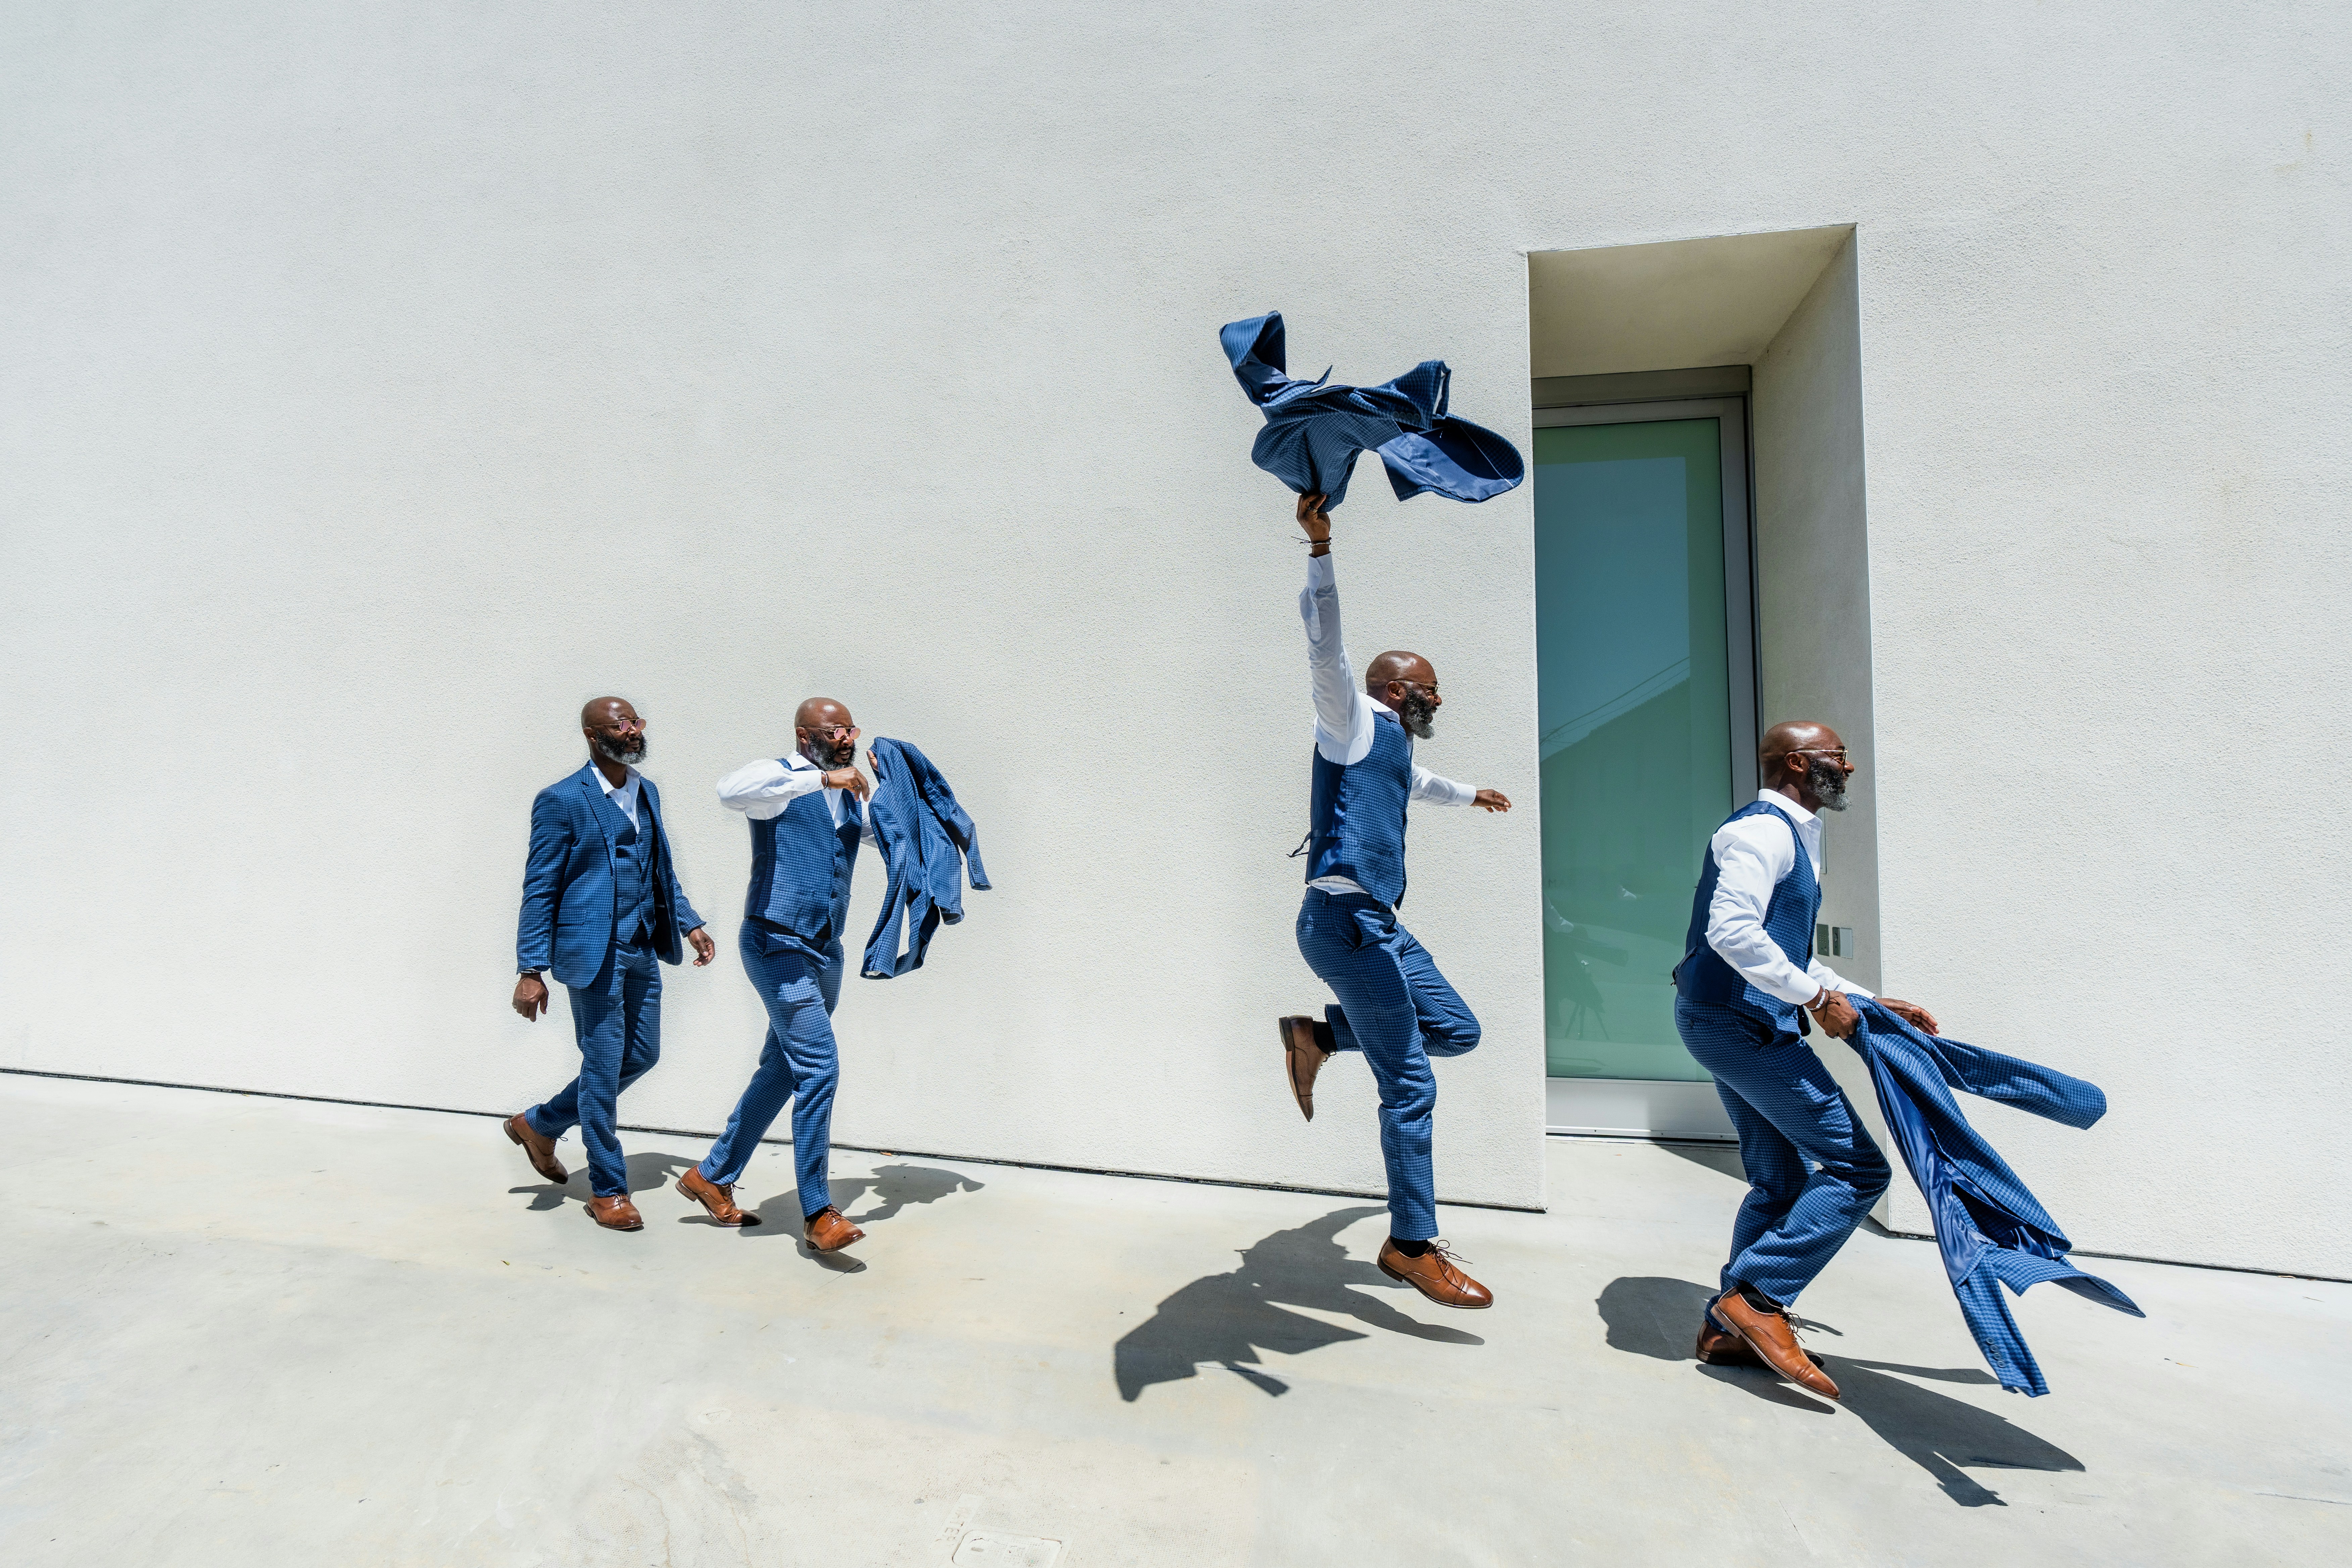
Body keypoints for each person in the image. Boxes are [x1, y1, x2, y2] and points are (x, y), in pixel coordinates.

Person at [1275, 492, 1513, 1309]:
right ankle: (1411, 1243)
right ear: (1396, 688)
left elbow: (1422, 783)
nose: (1438, 699)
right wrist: (1321, 548)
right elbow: (1326, 649)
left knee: (1457, 1028)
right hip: (1342, 923)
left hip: (1379, 923)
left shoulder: (1394, 748)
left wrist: (1473, 791)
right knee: (1411, 1082)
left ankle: (1317, 1034)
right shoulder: (1351, 719)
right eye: (1431, 690)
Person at [1674, 721, 1943, 1398]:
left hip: (1732, 1019)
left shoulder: (1794, 834)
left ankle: (1727, 1327)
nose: (1850, 768)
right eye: (1838, 756)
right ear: (1799, 761)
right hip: (1739, 1025)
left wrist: (1868, 999)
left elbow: (1783, 950)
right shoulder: (1762, 832)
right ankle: (1758, 1298)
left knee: (1780, 1182)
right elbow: (1731, 931)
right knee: (1858, 1167)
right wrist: (1819, 997)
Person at [674, 698, 880, 1253]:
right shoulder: (779, 782)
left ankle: (712, 1175)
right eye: (836, 731)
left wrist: (914, 809)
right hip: (775, 941)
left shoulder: (849, 796)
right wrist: (820, 779)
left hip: (824, 948)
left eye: (850, 730)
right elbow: (730, 792)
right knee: (819, 1068)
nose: (846, 738)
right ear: (805, 734)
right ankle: (818, 1212)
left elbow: (882, 840)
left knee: (785, 1068)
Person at [507, 697, 716, 1230]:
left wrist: (690, 923)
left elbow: (660, 872)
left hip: (643, 944)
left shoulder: (646, 793)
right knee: (601, 1070)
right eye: (619, 726)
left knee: (643, 1055)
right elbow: (540, 887)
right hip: (592, 954)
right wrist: (531, 969)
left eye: (635, 723)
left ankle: (541, 1124)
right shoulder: (561, 800)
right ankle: (607, 1189)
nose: (630, 732)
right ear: (591, 734)